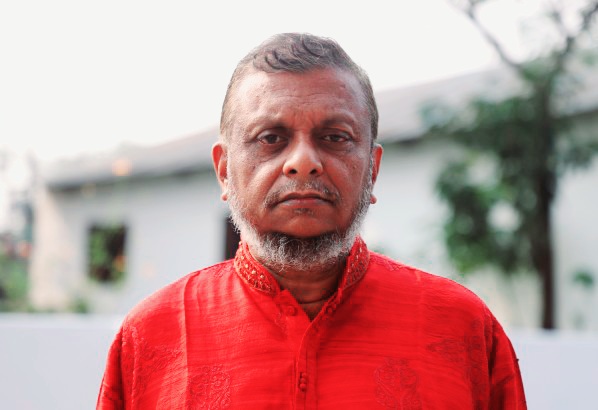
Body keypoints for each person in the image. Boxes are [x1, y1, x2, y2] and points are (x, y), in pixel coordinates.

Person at [97, 33, 526, 409]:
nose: (303, 162)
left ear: (373, 170)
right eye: (271, 138)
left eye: (335, 137)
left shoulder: (464, 328)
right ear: (224, 170)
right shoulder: (151, 335)